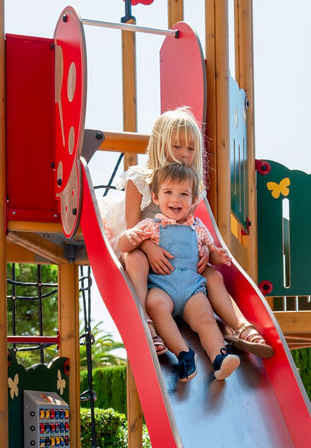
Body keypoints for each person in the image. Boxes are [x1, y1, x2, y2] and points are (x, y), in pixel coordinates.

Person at [103, 107, 272, 358]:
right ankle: (144, 320)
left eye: (191, 148)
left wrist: (203, 249)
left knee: (213, 276)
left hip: (178, 258)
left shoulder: (191, 186)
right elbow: (133, 229)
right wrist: (150, 249)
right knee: (135, 258)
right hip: (143, 246)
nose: (184, 153)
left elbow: (191, 226)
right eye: (177, 146)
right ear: (160, 144)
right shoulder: (139, 180)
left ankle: (241, 327)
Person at [113, 162, 239, 382]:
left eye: (184, 194)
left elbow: (210, 252)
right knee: (154, 305)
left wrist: (219, 256)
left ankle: (219, 357)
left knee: (206, 318)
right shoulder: (151, 225)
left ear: (193, 200)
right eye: (168, 192)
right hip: (162, 288)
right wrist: (128, 237)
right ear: (155, 197)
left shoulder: (198, 227)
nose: (176, 199)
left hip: (192, 290)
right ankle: (184, 353)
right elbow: (124, 246)